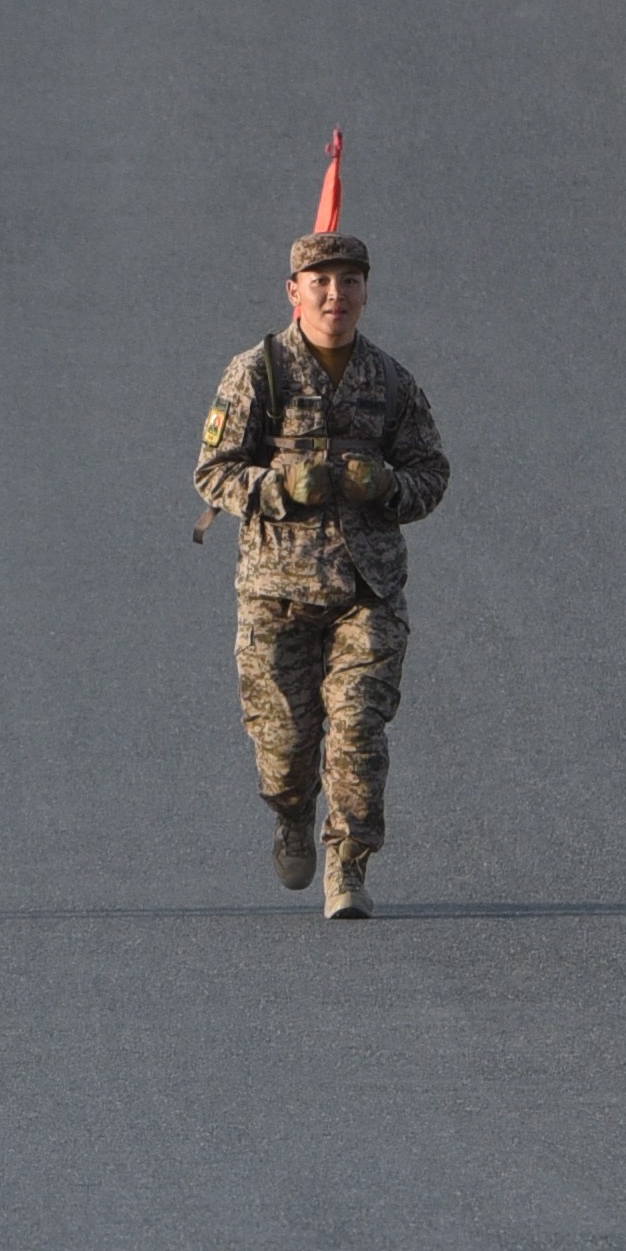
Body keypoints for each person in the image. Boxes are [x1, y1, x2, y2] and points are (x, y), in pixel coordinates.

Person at [194, 222, 449, 919]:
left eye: (349, 282)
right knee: (284, 747)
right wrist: (281, 488)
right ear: (295, 292)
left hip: (366, 593)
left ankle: (349, 866)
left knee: (359, 730)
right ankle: (291, 810)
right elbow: (213, 473)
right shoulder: (259, 373)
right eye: (321, 283)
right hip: (277, 594)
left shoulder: (391, 382)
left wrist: (386, 488)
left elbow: (432, 474)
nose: (336, 295)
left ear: (366, 292)